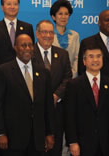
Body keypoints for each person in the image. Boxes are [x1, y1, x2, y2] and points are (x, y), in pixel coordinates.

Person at [0, 34, 55, 156]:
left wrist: (50, 133)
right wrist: (0, 133)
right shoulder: (3, 71)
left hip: (37, 138)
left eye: (30, 45)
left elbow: (48, 106)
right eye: (23, 45)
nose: (27, 48)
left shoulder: (43, 72)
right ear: (15, 47)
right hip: (12, 138)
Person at [33, 20, 72, 156]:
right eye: (44, 32)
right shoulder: (28, 53)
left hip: (57, 110)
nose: (48, 35)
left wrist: (56, 96)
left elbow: (68, 78)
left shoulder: (62, 54)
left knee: (55, 147)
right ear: (37, 34)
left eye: (51, 32)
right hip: (34, 111)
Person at [64, 46, 109, 156]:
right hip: (83, 144)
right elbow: (69, 116)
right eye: (91, 56)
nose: (95, 60)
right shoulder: (74, 85)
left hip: (106, 143)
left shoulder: (108, 82)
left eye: (99, 56)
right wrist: (72, 142)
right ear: (84, 61)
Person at [0, 0, 35, 65]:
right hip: (1, 70)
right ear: (2, 7)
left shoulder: (28, 27)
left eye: (15, 4)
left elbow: (31, 51)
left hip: (23, 69)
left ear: (19, 6)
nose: (12, 7)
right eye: (9, 4)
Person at [50, 0, 80, 78]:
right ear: (53, 16)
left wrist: (72, 75)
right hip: (52, 77)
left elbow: (77, 58)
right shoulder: (48, 35)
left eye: (66, 14)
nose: (63, 17)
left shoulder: (75, 35)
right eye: (60, 14)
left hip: (71, 78)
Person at [78, 10, 109, 77]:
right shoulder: (87, 42)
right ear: (99, 22)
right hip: (96, 86)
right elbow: (82, 70)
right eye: (107, 20)